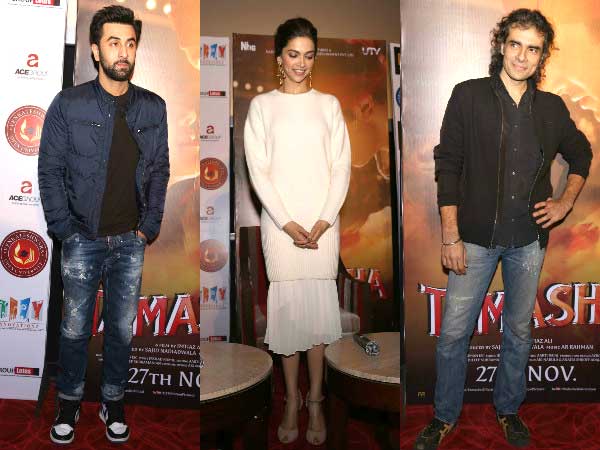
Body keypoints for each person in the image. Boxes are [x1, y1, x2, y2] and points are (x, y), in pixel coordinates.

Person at [414, 8, 592, 450]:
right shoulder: (468, 95)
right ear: (501, 45)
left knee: (519, 331)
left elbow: (581, 153)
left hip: (528, 242)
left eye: (533, 49)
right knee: (454, 334)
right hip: (472, 240)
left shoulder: (551, 108)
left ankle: (509, 409)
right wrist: (450, 235)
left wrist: (566, 201)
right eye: (516, 44)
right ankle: (444, 416)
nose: (522, 56)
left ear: (542, 56)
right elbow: (448, 166)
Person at [38, 5, 169, 445]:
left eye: (130, 43)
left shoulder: (153, 107)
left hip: (131, 240)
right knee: (74, 330)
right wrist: (64, 228)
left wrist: (148, 227)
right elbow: (50, 169)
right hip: (82, 238)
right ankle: (69, 402)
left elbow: (160, 169)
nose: (123, 52)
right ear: (95, 50)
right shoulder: (69, 104)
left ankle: (113, 400)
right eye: (114, 43)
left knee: (121, 331)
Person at [244, 17, 351, 446]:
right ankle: (291, 399)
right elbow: (258, 171)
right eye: (293, 54)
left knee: (318, 318)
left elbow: (341, 167)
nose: (301, 63)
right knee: (289, 318)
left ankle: (316, 400)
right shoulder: (262, 107)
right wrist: (287, 223)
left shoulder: (329, 105)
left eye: (308, 55)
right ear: (279, 57)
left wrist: (324, 220)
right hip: (280, 225)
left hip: (323, 225)